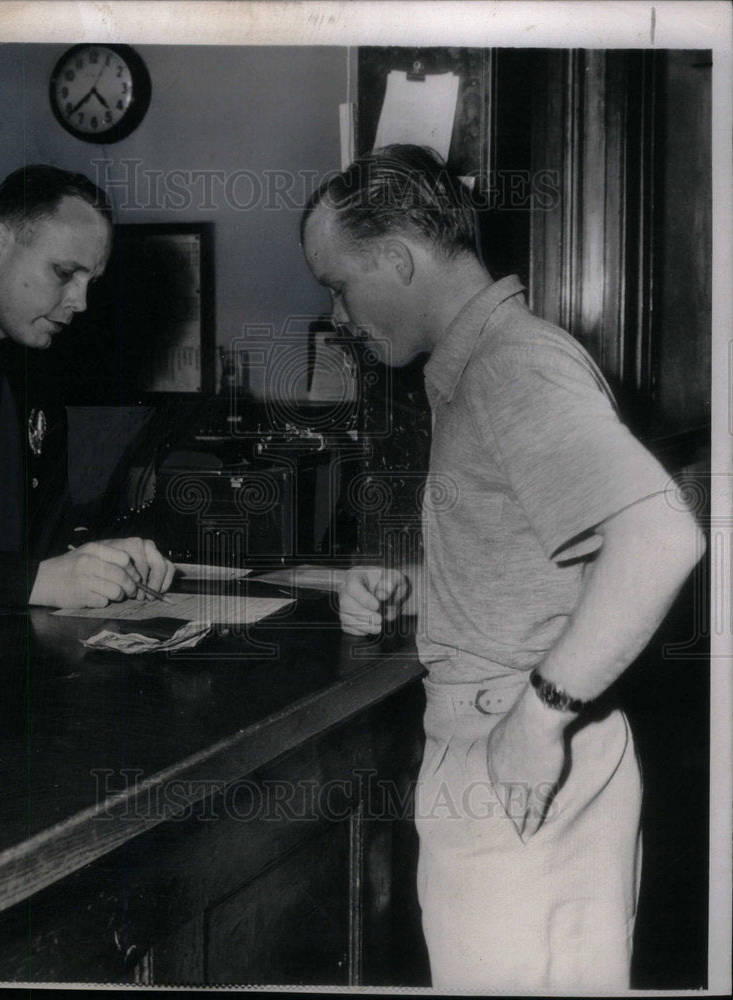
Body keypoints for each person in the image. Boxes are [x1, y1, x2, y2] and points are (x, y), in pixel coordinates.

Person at [300, 145, 705, 991]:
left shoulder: (512, 366)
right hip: (517, 752)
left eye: (339, 285)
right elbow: (552, 557)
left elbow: (662, 537)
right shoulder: (479, 367)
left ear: (398, 259)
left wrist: (539, 716)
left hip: (520, 761)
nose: (338, 314)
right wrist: (417, 586)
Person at [0, 164, 174, 613]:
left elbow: (35, 533)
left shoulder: (36, 355)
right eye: (65, 273)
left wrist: (104, 558)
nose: (80, 303)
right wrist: (32, 581)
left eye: (90, 283)